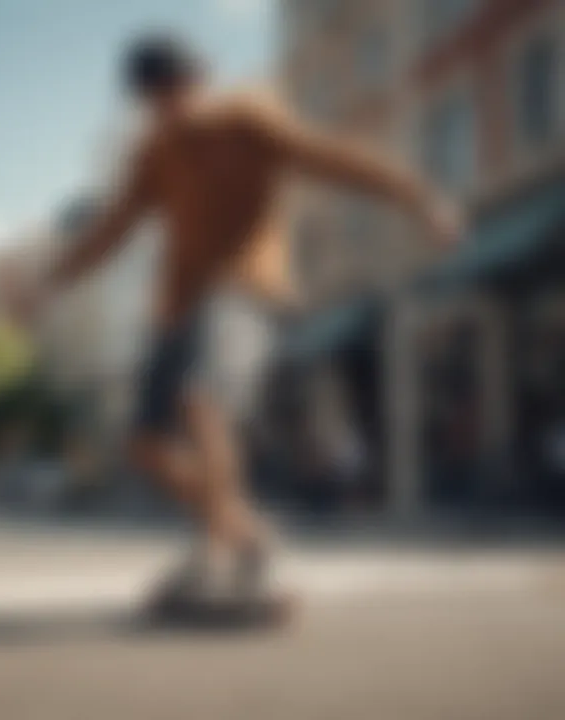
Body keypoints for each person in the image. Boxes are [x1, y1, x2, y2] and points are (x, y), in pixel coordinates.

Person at [27, 34, 462, 600]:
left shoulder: (248, 121)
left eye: (177, 93)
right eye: (156, 101)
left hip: (248, 290)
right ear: (143, 100)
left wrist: (419, 197)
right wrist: (48, 282)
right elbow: (110, 230)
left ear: (199, 80)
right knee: (144, 445)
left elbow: (333, 158)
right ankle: (241, 529)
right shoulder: (152, 156)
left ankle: (219, 552)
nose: (170, 110)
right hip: (179, 305)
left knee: (204, 398)